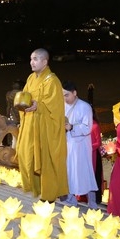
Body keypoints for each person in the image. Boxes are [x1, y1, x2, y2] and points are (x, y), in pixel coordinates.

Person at [16, 48, 69, 202]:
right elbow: (25, 97)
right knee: (26, 155)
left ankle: (50, 195)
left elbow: (55, 107)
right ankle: (37, 188)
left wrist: (39, 105)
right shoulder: (31, 78)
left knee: (47, 160)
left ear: (45, 62)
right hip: (31, 125)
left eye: (35, 59)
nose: (31, 62)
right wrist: (22, 104)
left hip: (46, 128)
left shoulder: (52, 81)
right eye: (31, 59)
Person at [61, 80, 98, 208]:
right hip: (67, 143)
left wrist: (71, 127)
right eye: (63, 95)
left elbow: (87, 127)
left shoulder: (85, 107)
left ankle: (92, 201)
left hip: (80, 145)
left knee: (84, 171)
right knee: (68, 170)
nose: (64, 98)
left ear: (74, 93)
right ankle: (71, 199)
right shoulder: (62, 106)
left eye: (66, 95)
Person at [90, 105, 104, 205]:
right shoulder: (82, 124)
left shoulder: (95, 125)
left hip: (93, 154)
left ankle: (96, 197)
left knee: (95, 176)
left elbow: (98, 143)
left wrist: (88, 147)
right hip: (85, 155)